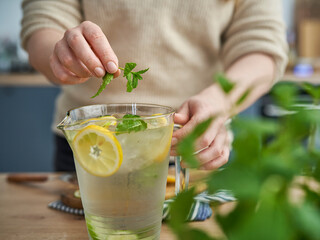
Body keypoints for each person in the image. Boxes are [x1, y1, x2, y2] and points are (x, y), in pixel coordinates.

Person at [21, 0, 288, 172]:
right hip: (92, 144)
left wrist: (218, 102)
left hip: (198, 146)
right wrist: (63, 56)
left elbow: (263, 47)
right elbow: (42, 23)